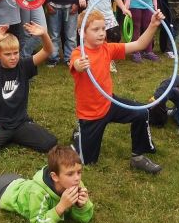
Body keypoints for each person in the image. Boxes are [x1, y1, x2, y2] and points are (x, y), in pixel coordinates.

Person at [69, 9, 164, 173]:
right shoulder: (79, 53)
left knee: (141, 112)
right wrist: (80, 65)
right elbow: (76, 64)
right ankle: (79, 134)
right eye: (95, 29)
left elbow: (139, 45)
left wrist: (153, 25)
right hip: (90, 115)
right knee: (88, 161)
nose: (101, 33)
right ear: (81, 33)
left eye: (103, 28)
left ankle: (138, 156)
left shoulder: (107, 48)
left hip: (109, 103)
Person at [0, 24, 57, 156]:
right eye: (7, 54)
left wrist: (44, 34)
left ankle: (12, 136)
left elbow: (47, 51)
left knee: (50, 143)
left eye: (16, 53)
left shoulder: (24, 66)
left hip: (20, 123)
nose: (13, 57)